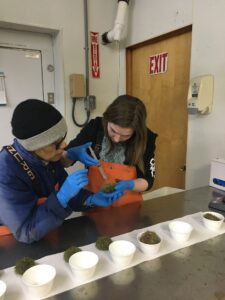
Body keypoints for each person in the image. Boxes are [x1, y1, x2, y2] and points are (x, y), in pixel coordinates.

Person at [0, 99, 123, 243]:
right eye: (55, 143)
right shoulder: (6, 172)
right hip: (12, 239)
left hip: (44, 228)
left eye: (63, 138)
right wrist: (61, 198)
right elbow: (26, 231)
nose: (64, 145)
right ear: (34, 146)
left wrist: (89, 199)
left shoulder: (48, 157)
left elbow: (66, 190)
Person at [65, 94, 157, 207]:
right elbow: (62, 163)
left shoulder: (146, 138)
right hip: (94, 206)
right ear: (107, 119)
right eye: (113, 130)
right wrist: (72, 154)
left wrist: (130, 185)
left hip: (129, 208)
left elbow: (148, 181)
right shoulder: (95, 127)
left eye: (126, 135)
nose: (117, 139)